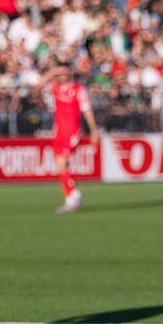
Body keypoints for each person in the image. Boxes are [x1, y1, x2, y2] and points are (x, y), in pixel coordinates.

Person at [44, 64, 100, 213]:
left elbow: (86, 109)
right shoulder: (55, 88)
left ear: (70, 72)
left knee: (63, 162)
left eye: (64, 71)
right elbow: (36, 87)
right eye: (59, 72)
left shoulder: (78, 89)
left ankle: (74, 194)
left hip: (72, 131)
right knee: (61, 166)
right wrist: (51, 71)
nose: (61, 74)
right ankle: (70, 198)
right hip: (58, 132)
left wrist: (94, 129)